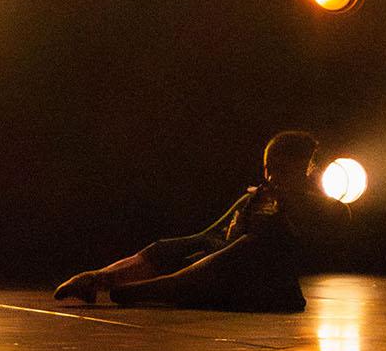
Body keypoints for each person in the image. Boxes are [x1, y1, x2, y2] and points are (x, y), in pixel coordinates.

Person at [52, 130, 348, 312]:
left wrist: (287, 204)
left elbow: (332, 224)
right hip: (222, 278)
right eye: (270, 170)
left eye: (283, 171)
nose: (272, 179)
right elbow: (208, 238)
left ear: (306, 170)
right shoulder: (256, 199)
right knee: (186, 244)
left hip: (266, 292)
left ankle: (150, 289)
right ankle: (99, 278)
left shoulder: (315, 205)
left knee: (253, 243)